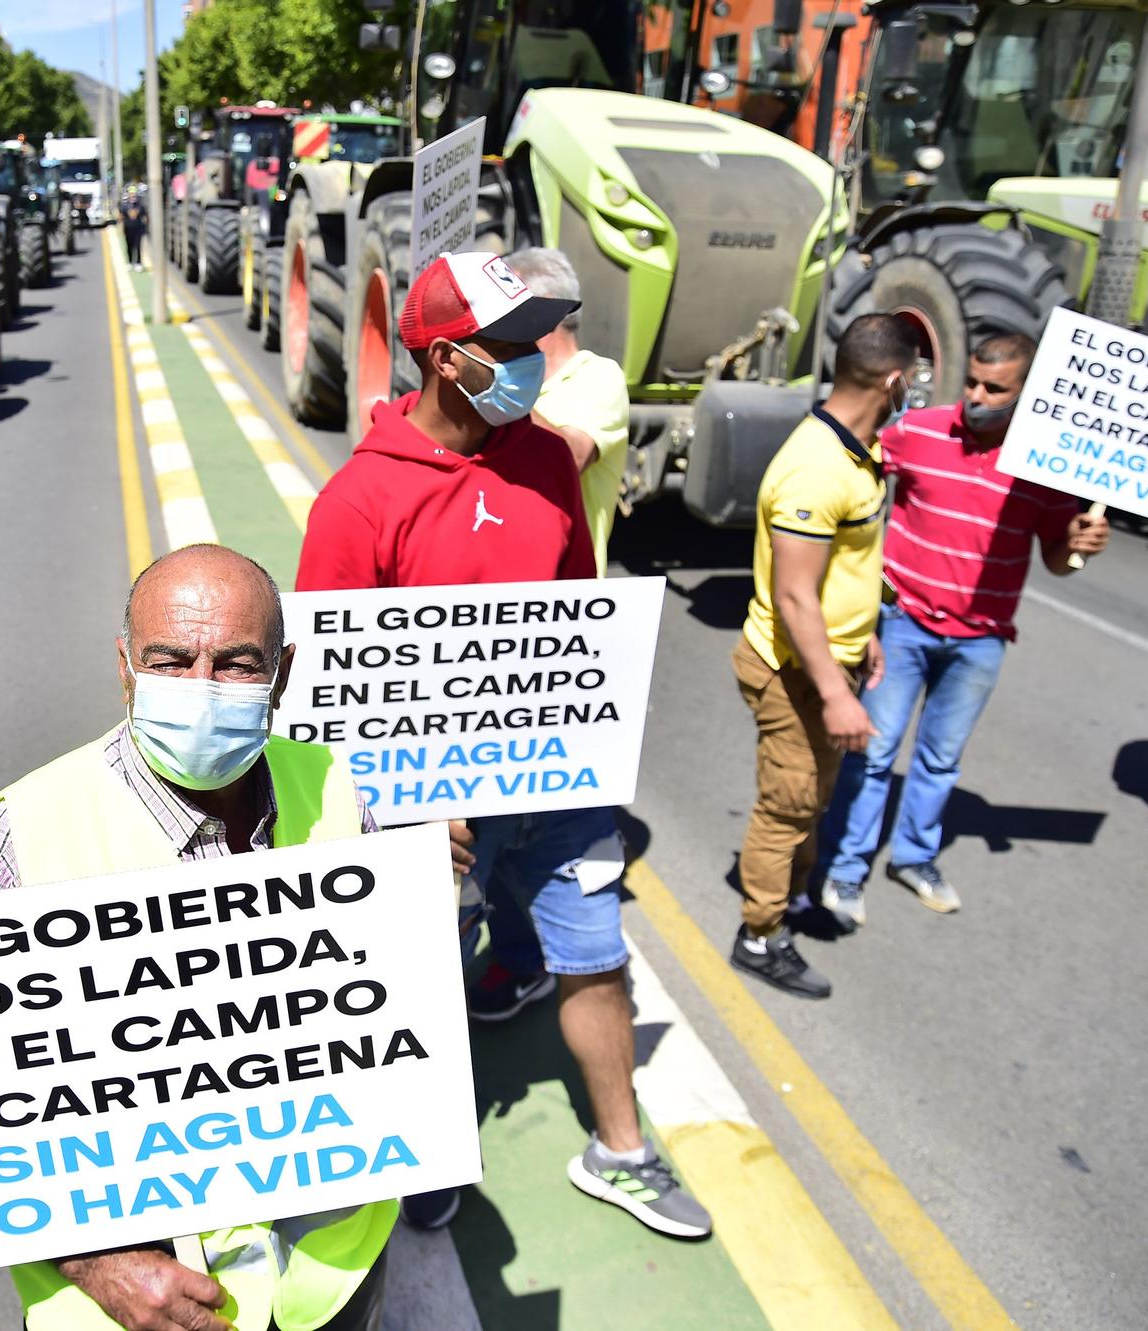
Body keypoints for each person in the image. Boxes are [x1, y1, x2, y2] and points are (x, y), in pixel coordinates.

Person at [297, 252, 711, 1241]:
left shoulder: (539, 458)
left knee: (595, 955)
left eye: (538, 336)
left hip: (554, 782)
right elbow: (330, 690)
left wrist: (591, 723)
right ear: (445, 360)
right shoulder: (358, 503)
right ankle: (424, 1146)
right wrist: (409, 797)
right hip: (431, 812)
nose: (537, 358)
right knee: (423, 982)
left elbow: (571, 611)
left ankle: (621, 1149)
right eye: (513, 343)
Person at [0, 544, 393, 1331]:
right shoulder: (13, 846)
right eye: (171, 661)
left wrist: (437, 883)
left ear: (282, 673)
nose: (202, 690)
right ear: (125, 668)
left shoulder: (339, 792)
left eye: (238, 664)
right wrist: (93, 1261)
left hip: (330, 1290)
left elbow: (395, 1012)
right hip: (128, 1310)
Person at [815, 334, 1109, 927]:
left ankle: (915, 857)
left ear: (1028, 393)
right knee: (871, 753)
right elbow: (848, 478)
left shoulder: (1048, 462)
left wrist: (1081, 545)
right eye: (972, 381)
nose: (975, 395)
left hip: (982, 639)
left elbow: (1056, 555)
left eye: (994, 388)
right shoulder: (917, 431)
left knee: (940, 760)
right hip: (901, 625)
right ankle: (845, 868)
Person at [730, 314, 915, 1000]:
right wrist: (836, 693)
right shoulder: (816, 469)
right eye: (912, 378)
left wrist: (861, 632)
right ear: (894, 379)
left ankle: (793, 896)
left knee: (812, 798)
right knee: (787, 805)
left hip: (828, 666)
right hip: (795, 673)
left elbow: (844, 563)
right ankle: (759, 933)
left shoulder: (854, 449)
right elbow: (796, 597)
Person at [505, 246, 630, 577]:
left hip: (565, 590)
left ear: (541, 309)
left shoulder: (599, 376)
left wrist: (503, 391)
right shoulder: (506, 377)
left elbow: (571, 457)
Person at [122, 190, 147, 269]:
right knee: (129, 246)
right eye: (131, 195)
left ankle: (138, 262)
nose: (133, 197)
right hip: (128, 228)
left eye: (134, 195)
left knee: (138, 246)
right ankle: (129, 262)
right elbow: (121, 217)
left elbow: (145, 217)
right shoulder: (125, 206)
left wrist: (144, 228)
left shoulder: (140, 206)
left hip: (138, 229)